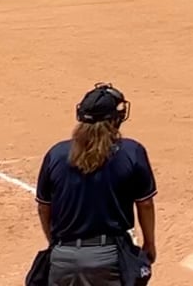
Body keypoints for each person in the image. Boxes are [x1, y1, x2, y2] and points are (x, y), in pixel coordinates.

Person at [33, 84, 158, 286]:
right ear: (115, 119)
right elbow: (145, 203)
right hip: (108, 261)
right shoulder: (131, 151)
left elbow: (43, 207)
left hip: (62, 260)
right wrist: (149, 243)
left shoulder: (56, 154)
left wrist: (55, 244)